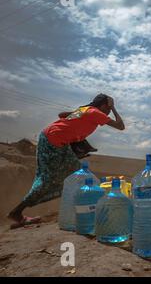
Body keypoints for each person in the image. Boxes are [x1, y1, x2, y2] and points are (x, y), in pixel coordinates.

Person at [7, 94, 125, 229]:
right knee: (53, 179)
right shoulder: (94, 112)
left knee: (75, 173)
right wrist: (114, 108)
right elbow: (120, 126)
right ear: (104, 105)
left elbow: (61, 114)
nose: (109, 111)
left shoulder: (86, 110)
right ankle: (17, 212)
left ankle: (82, 207)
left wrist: (76, 114)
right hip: (53, 141)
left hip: (55, 140)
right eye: (108, 108)